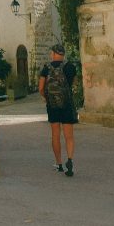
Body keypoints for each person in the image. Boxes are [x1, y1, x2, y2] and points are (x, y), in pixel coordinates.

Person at [38, 43, 78, 176]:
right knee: (69, 136)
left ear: (53, 53)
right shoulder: (70, 67)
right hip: (67, 105)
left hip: (53, 106)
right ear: (63, 54)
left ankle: (59, 163)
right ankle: (70, 160)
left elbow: (41, 88)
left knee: (55, 135)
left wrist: (47, 97)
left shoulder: (46, 68)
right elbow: (74, 84)